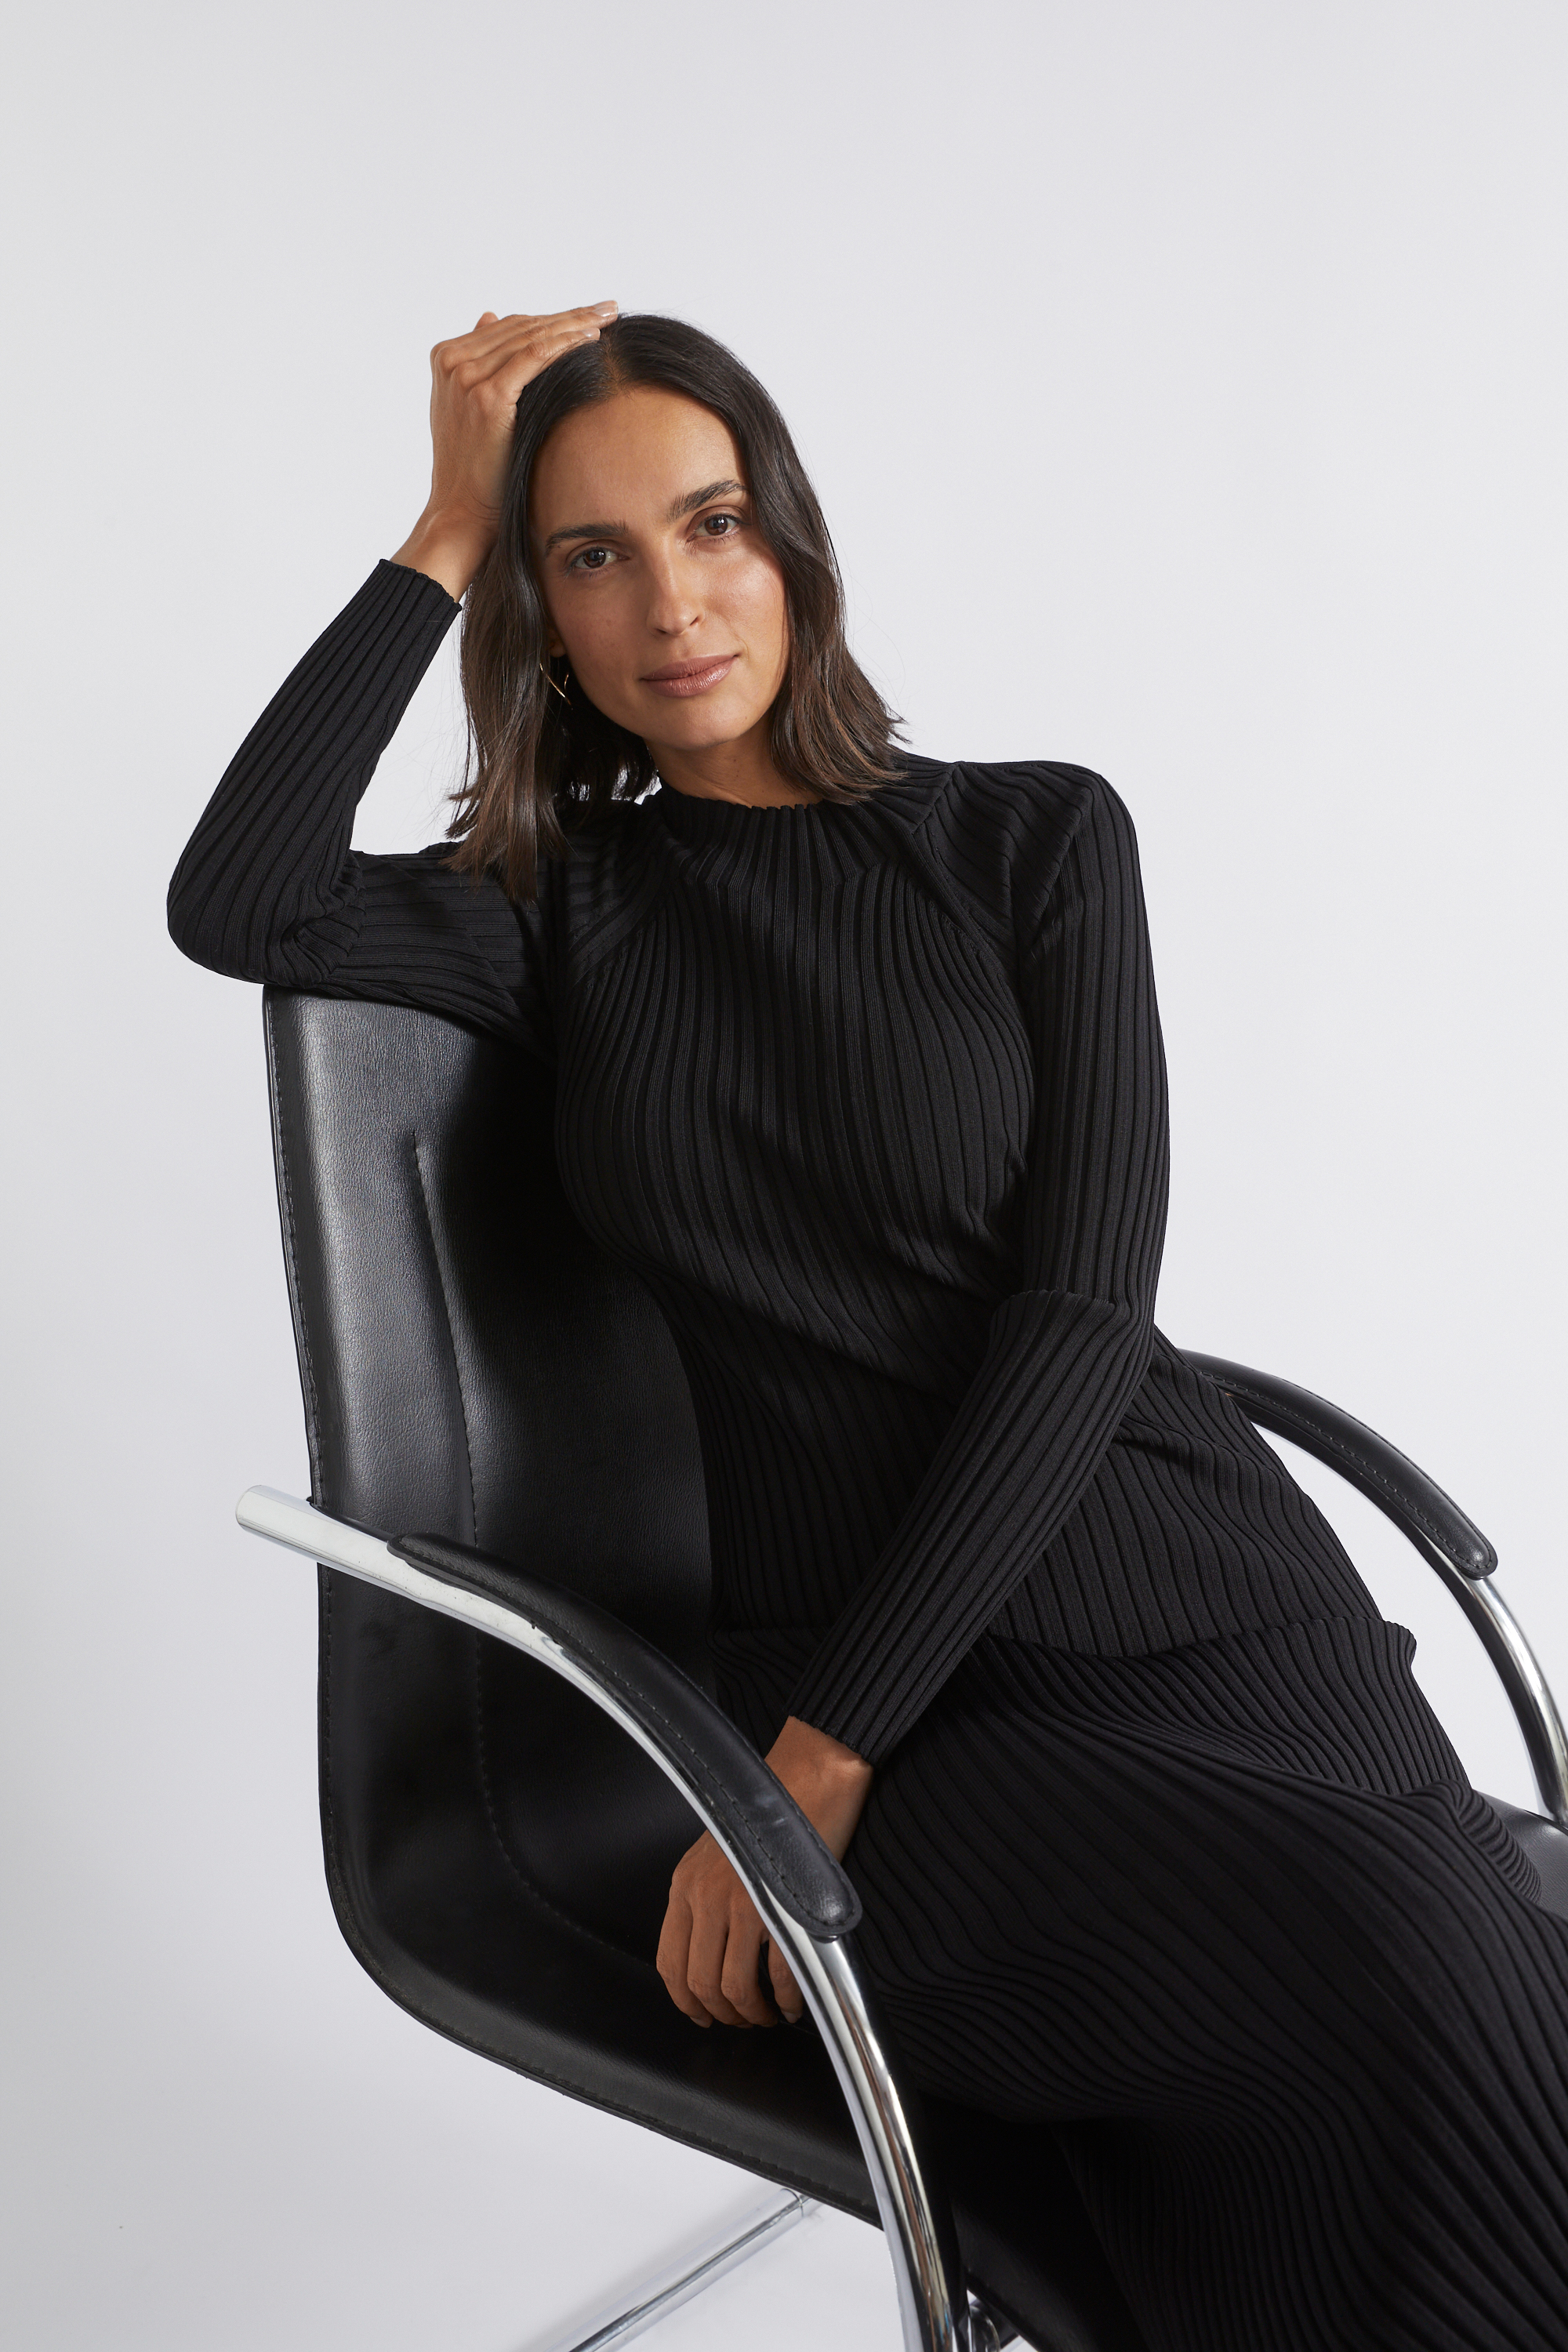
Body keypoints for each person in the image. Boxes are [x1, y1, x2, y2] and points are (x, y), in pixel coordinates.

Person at [167, 303, 1568, 2350]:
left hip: (1207, 1614)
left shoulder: (1037, 839)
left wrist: (820, 1749)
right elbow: (240, 898)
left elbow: (1081, 1318)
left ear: (794, 544)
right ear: (543, 619)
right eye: (590, 556)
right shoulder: (553, 909)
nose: (672, 602)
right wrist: (443, 527)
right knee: (1410, 1963)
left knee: (1452, 1998)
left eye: (711, 523)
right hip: (909, 1733)